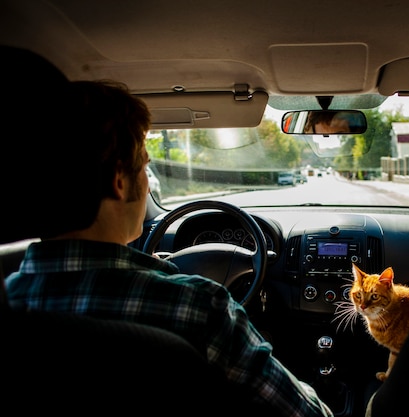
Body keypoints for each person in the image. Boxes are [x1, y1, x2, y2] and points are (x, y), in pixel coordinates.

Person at [4, 78, 333, 417]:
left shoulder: (11, 298)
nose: (147, 179)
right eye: (145, 166)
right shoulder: (199, 306)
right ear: (120, 181)